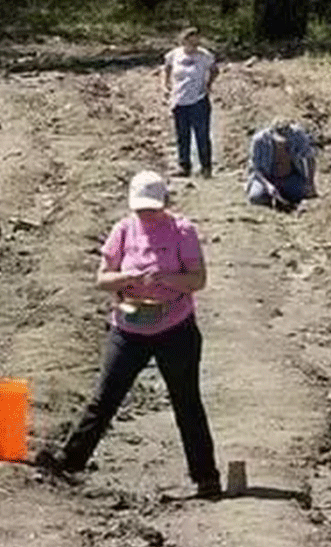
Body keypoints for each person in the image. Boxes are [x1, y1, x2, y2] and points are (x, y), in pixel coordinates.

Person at [35, 171, 222, 498]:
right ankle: (71, 460)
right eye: (141, 209)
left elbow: (197, 280)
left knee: (186, 402)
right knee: (105, 397)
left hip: (175, 328)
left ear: (165, 202)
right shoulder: (123, 230)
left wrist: (165, 278)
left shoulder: (183, 231)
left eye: (152, 208)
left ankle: (206, 476)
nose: (146, 215)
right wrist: (128, 277)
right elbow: (102, 279)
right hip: (129, 329)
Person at [163, 27, 219, 178]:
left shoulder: (204, 55)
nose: (194, 43)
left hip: (199, 100)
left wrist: (208, 84)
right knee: (182, 135)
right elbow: (167, 67)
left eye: (196, 40)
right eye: (190, 40)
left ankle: (206, 167)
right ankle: (184, 165)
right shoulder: (175, 54)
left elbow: (214, 69)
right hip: (179, 100)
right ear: (184, 40)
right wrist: (167, 84)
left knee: (202, 134)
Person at [246, 118, 318, 211]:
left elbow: (310, 159)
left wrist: (310, 184)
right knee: (256, 197)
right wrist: (268, 186)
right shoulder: (259, 140)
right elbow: (255, 169)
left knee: (301, 194)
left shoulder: (298, 136)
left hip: (290, 178)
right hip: (267, 179)